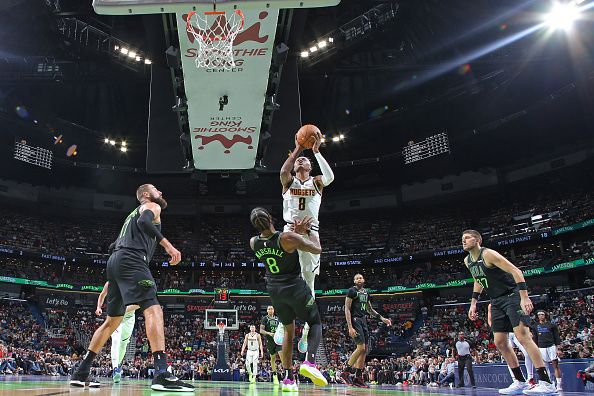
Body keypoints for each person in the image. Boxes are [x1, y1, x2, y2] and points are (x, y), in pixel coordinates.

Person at [70, 184, 194, 392]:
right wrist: (168, 246)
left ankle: (81, 372)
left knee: (111, 322)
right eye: (156, 189)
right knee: (153, 309)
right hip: (132, 260)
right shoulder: (152, 206)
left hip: (116, 261)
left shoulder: (128, 218)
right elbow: (144, 222)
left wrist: (117, 272)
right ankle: (162, 373)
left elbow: (114, 246)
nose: (161, 192)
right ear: (146, 195)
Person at [462, 229, 557, 395]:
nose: (463, 241)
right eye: (462, 238)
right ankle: (519, 381)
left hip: (512, 296)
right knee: (500, 342)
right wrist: (473, 303)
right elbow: (478, 279)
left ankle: (546, 381)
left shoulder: (489, 254)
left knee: (523, 336)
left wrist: (524, 297)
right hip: (496, 300)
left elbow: (516, 272)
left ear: (478, 240)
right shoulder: (467, 260)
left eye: (467, 238)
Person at [249, 207, 328, 392]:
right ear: (270, 218)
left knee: (288, 332)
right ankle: (309, 361)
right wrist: (308, 232)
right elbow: (317, 249)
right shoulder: (286, 238)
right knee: (315, 321)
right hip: (294, 287)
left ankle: (288, 378)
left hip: (274, 291)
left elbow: (278, 244)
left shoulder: (254, 242)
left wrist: (294, 233)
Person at [277, 130, 334, 353]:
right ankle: (283, 323)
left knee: (308, 283)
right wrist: (299, 148)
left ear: (310, 168)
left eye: (305, 160)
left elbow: (330, 177)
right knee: (285, 279)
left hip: (311, 233)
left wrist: (316, 152)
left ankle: (307, 329)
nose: (301, 160)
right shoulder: (288, 181)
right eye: (299, 160)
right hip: (290, 233)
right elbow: (283, 170)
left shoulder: (317, 182)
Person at [342, 273, 392, 388]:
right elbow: (347, 309)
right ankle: (345, 372)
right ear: (354, 281)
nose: (359, 279)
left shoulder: (366, 292)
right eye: (357, 278)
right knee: (361, 347)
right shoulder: (351, 291)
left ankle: (358, 378)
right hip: (355, 320)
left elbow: (370, 310)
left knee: (365, 350)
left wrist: (382, 319)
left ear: (364, 280)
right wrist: (350, 327)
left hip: (363, 320)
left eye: (361, 277)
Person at [96, 281, 136, 383]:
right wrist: (99, 307)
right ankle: (115, 369)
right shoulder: (110, 283)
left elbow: (139, 304)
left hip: (129, 317)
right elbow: (102, 295)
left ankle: (118, 365)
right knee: (116, 340)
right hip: (115, 315)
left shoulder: (134, 282)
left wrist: (123, 309)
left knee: (123, 344)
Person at [488, 304, 536, 386]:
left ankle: (530, 378)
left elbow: (523, 315)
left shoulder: (513, 299)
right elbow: (490, 319)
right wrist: (496, 330)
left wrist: (527, 329)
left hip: (516, 331)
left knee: (527, 353)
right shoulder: (491, 305)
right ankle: (516, 380)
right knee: (507, 356)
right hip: (504, 332)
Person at [534, 311, 562, 390]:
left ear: (545, 315)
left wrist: (558, 348)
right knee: (545, 367)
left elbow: (556, 337)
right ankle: (549, 384)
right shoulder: (535, 326)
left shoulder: (552, 325)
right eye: (539, 315)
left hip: (551, 346)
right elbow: (535, 338)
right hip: (541, 347)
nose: (540, 316)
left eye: (542, 314)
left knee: (555, 365)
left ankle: (559, 385)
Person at [260, 305, 282, 385]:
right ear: (267, 311)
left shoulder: (278, 318)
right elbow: (261, 330)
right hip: (270, 340)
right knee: (273, 358)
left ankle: (286, 373)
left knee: (281, 355)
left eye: (272, 308)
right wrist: (269, 333)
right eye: (269, 309)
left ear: (274, 310)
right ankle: (275, 375)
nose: (270, 310)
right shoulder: (265, 319)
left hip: (278, 340)